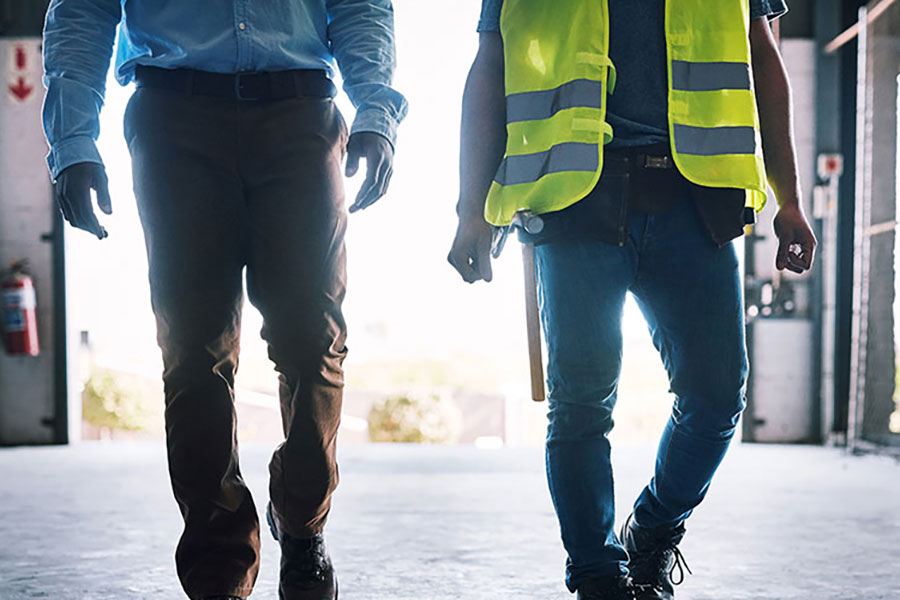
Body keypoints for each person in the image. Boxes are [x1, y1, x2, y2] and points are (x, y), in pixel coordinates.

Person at [448, 1, 815, 599]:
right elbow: (490, 63)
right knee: (580, 406)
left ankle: (652, 529)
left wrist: (789, 198)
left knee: (718, 395)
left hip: (694, 197)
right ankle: (596, 575)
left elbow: (761, 52)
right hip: (572, 197)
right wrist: (470, 209)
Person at [42, 1, 406, 598]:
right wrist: (74, 140)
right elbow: (82, 10)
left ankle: (303, 523)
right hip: (173, 118)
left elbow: (360, 4)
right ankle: (218, 570)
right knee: (193, 352)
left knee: (313, 339)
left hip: (300, 115)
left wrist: (376, 107)